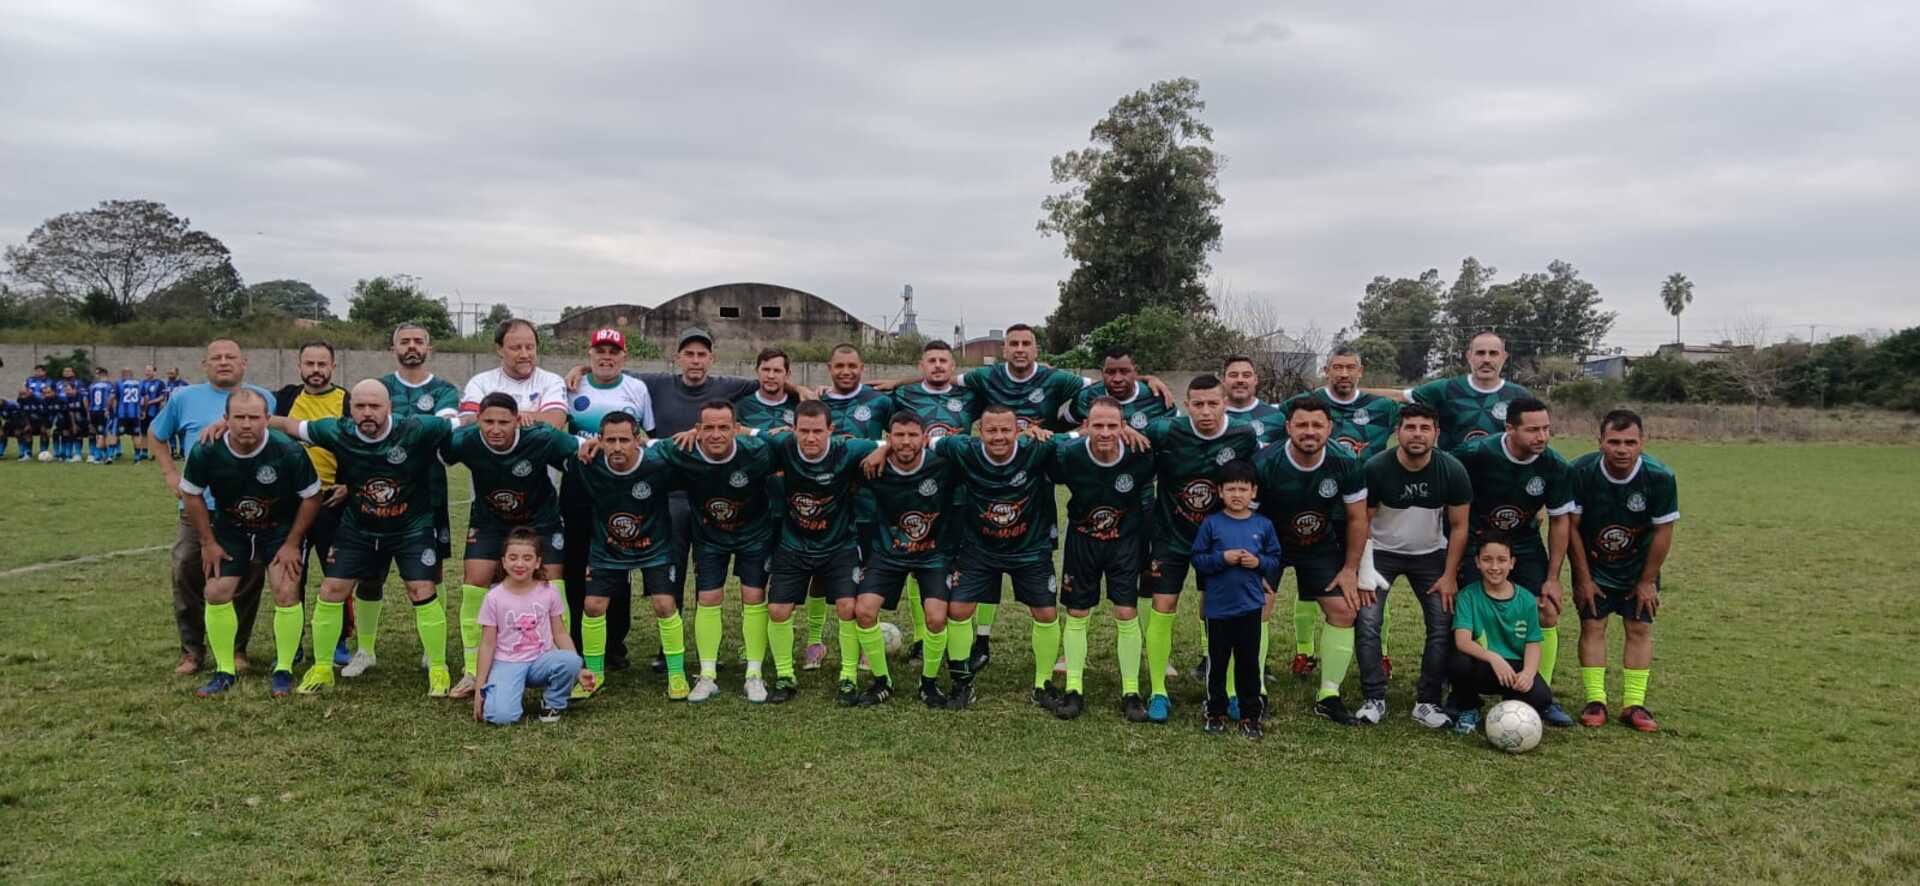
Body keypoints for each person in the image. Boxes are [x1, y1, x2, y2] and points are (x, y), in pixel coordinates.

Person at [563, 326, 810, 673]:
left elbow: (768, 379)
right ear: (677, 357)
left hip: (713, 490)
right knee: (674, 569)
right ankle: (669, 651)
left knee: (713, 575)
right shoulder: (656, 383)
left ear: (711, 358)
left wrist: (799, 389)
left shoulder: (728, 386)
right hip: (673, 493)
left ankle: (717, 651)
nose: (695, 360)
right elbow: (613, 368)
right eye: (689, 354)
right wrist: (581, 369)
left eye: (702, 354)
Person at [266, 379, 454, 696]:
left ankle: (438, 667)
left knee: (421, 588)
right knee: (331, 589)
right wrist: (240, 420)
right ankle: (322, 668)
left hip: (410, 526)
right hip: (359, 527)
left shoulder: (416, 428)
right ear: (350, 409)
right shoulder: (336, 430)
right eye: (360, 406)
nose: (367, 413)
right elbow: (290, 425)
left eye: (375, 406)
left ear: (389, 408)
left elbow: (461, 423)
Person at [441, 392, 589, 699]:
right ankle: (472, 669)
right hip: (489, 521)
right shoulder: (466, 440)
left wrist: (598, 445)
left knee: (553, 585)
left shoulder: (542, 437)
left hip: (540, 521)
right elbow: (438, 453)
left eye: (504, 422)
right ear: (478, 420)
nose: (495, 429)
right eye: (488, 422)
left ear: (517, 420)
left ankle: (560, 664)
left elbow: (582, 449)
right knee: (474, 583)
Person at [178, 389, 323, 698]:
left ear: (267, 419)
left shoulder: (288, 451)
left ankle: (283, 669)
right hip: (231, 529)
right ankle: (224, 670)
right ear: (225, 419)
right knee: (216, 591)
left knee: (286, 591)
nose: (247, 424)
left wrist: (292, 543)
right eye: (239, 417)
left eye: (254, 417)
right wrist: (208, 542)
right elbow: (191, 494)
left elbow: (312, 498)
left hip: (279, 529)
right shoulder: (207, 449)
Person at [1135, 374, 1262, 722]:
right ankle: (1158, 690)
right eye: (1198, 404)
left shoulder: (1243, 436)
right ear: (1187, 405)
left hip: (1220, 540)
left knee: (1221, 611)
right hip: (1171, 535)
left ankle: (1229, 690)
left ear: (1225, 404)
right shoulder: (1164, 431)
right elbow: (1125, 433)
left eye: (1213, 404)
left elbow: (1253, 482)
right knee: (1163, 606)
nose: (1206, 411)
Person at [150, 340, 279, 677]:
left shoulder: (264, 398)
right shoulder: (183, 398)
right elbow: (156, 435)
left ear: (244, 362)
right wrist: (170, 473)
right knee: (186, 571)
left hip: (248, 510)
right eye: (216, 358)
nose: (224, 362)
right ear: (204, 363)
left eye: (230, 357)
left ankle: (237, 648)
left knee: (249, 577)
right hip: (198, 507)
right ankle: (192, 651)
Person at [930, 404, 1069, 714]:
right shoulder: (963, 448)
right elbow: (919, 441)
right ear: (979, 432)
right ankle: (962, 682)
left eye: (1006, 430)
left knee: (1046, 614)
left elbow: (1082, 436)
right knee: (958, 610)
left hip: (1029, 548)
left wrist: (1123, 430)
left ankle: (1042, 684)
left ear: (1018, 430)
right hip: (979, 548)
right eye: (991, 430)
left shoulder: (1037, 447)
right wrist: (883, 450)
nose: (999, 436)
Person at [346, 323, 462, 677]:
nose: (412, 346)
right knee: (370, 574)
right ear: (393, 348)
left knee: (432, 570)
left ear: (429, 348)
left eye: (418, 341)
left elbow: (441, 429)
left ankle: (431, 649)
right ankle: (365, 650)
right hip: (378, 493)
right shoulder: (378, 388)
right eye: (404, 341)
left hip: (428, 492)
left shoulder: (444, 390)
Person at [1452, 395, 1576, 726]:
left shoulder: (1555, 466)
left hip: (1523, 543)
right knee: (1464, 613)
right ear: (1509, 429)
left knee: (1547, 610)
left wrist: (1553, 577)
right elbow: (1448, 496)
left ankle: (1539, 693)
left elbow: (1560, 521)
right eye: (1533, 430)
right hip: (1477, 544)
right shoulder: (1475, 454)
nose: (1542, 436)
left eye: (1546, 429)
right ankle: (1463, 694)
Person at [1253, 399, 1370, 724]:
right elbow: (1246, 518)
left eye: (1317, 425)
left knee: (1344, 610)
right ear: (1288, 427)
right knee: (1257, 605)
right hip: (1270, 545)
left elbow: (1357, 519)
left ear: (1329, 428)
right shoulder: (1265, 463)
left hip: (1319, 545)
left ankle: (1329, 695)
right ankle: (1255, 689)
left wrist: (1350, 569)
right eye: (1301, 425)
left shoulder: (1346, 462)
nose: (1309, 432)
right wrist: (1256, 565)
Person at [761, 401, 883, 705]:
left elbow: (898, 442)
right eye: (804, 431)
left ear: (831, 430)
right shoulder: (783, 444)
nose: (810, 438)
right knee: (777, 610)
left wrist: (885, 448)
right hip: (793, 544)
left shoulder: (847, 449)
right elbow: (744, 434)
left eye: (818, 431)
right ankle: (785, 675)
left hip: (839, 545)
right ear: (793, 430)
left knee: (847, 607)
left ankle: (848, 676)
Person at [1358, 403, 1471, 728]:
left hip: (1430, 555)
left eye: (1425, 428)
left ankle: (1427, 702)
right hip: (1381, 553)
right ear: (1398, 432)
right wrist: (1363, 568)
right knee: (1367, 621)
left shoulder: (1452, 469)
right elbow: (1362, 522)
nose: (1417, 434)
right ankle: (1374, 697)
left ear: (1436, 433)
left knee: (1442, 623)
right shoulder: (1376, 468)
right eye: (1410, 427)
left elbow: (1460, 526)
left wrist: (1449, 575)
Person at [659, 400, 779, 703]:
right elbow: (641, 448)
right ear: (697, 430)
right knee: (708, 598)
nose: (716, 434)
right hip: (709, 536)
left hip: (754, 534)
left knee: (753, 596)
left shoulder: (757, 451)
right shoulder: (682, 450)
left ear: (736, 429)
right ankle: (707, 675)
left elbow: (792, 442)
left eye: (723, 427)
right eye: (708, 428)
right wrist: (593, 443)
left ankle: (754, 674)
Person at [1568, 409, 1678, 732]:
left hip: (1638, 566)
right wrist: (1583, 578)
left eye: (1630, 442)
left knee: (1639, 627)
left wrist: (1647, 581)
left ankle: (1634, 704)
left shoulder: (1660, 477)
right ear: (1600, 442)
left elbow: (1664, 531)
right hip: (1594, 564)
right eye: (1614, 441)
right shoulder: (1581, 472)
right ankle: (1595, 700)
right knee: (1592, 625)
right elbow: (1571, 527)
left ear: (1643, 442)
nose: (1622, 449)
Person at [1050, 397, 1159, 721]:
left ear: (1124, 426)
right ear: (1086, 426)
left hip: (1125, 541)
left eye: (1113, 425)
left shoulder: (1141, 453)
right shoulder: (1069, 455)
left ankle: (1130, 692)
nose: (1106, 432)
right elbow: (1042, 449)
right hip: (1083, 539)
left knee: (1126, 611)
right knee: (1077, 611)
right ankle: (1074, 688)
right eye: (1098, 425)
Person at [877, 339, 983, 668]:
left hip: (960, 491)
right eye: (931, 360)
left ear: (953, 367)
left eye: (943, 361)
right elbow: (893, 433)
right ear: (921, 366)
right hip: (919, 493)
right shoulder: (902, 396)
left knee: (962, 567)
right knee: (918, 563)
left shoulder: (970, 395)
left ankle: (967, 639)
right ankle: (923, 638)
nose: (937, 365)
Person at [559, 328, 656, 678]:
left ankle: (614, 645)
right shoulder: (570, 386)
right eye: (600, 350)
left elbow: (646, 436)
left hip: (621, 489)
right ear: (589, 354)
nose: (606, 357)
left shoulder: (637, 388)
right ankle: (576, 642)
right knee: (576, 563)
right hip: (580, 483)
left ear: (624, 357)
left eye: (614, 351)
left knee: (618, 564)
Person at [858, 412, 966, 708]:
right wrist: (882, 450)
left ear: (924, 438)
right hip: (888, 552)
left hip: (933, 553)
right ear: (888, 438)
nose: (906, 442)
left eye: (912, 435)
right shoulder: (872, 466)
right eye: (899, 435)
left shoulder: (943, 464)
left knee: (936, 617)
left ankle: (928, 684)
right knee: (864, 611)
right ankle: (882, 681)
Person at [571, 412, 683, 698]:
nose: (617, 447)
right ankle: (594, 675)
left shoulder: (658, 462)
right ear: (600, 440)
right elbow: (556, 442)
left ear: (637, 440)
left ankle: (677, 675)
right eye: (610, 440)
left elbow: (687, 447)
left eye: (624, 440)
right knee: (593, 606)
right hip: (608, 548)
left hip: (654, 546)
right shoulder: (588, 461)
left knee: (664, 604)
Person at [271, 341, 354, 668]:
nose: (316, 370)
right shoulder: (284, 399)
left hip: (333, 500)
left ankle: (338, 641)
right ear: (299, 366)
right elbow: (254, 419)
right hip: (291, 503)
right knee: (291, 574)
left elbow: (361, 446)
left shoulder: (347, 400)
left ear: (333, 366)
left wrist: (350, 484)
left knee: (337, 573)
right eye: (310, 364)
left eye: (322, 364)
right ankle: (291, 644)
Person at [817, 343, 898, 676]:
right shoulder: (817, 402)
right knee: (825, 577)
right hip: (826, 505)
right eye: (839, 366)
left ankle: (866, 646)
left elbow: (904, 435)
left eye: (852, 365)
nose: (846, 371)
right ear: (829, 368)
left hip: (867, 503)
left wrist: (885, 448)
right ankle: (817, 641)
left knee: (866, 574)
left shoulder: (880, 402)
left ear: (862, 368)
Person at [1191, 460, 1280, 740]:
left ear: (1254, 492)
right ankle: (1214, 711)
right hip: (1218, 609)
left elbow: (1275, 559)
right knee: (1217, 664)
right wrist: (1222, 558)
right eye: (1231, 489)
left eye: (1243, 489)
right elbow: (1198, 559)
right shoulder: (1211, 524)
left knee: (1248, 665)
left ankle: (1250, 715)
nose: (1237, 495)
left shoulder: (1263, 525)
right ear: (1220, 492)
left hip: (1250, 607)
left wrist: (1258, 562)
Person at [472, 528, 590, 725]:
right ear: (503, 562)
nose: (519, 564)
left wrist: (579, 669)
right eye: (513, 558)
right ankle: (502, 691)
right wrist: (479, 687)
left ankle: (552, 702)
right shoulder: (493, 597)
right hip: (507, 662)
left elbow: (560, 633)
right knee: (501, 717)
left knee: (571, 660)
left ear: (537, 562)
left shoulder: (549, 591)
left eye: (527, 558)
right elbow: (487, 644)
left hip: (541, 661)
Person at [1446, 537, 1552, 734]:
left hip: (1513, 668)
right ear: (1477, 562)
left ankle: (1509, 709)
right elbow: (1462, 641)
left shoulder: (1527, 599)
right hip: (1483, 664)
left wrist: (1528, 673)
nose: (1495, 567)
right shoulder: (1468, 596)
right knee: (1458, 663)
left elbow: (1533, 643)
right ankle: (1469, 706)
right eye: (1487, 560)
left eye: (1502, 560)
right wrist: (1493, 658)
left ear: (1512, 563)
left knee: (1542, 697)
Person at [1365, 331, 1535, 452]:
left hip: (1500, 480)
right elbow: (1399, 396)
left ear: (1504, 357)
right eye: (1480, 353)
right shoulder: (1445, 389)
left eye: (1493, 353)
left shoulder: (1520, 396)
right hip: (1453, 478)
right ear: (1469, 356)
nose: (1486, 359)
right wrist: (1354, 394)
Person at [1066, 346, 1176, 429]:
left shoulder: (1157, 396)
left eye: (1124, 371)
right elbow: (1062, 429)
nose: (1117, 379)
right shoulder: (1086, 397)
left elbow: (1177, 434)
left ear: (1135, 371)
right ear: (1102, 372)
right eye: (1110, 372)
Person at [138, 366, 168, 462]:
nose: (146, 372)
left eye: (149, 371)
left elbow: (162, 397)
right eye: (146, 370)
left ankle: (154, 453)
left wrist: (150, 402)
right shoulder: (141, 383)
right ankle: (144, 452)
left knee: (154, 433)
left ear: (154, 372)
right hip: (142, 411)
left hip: (154, 412)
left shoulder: (160, 383)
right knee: (143, 432)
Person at [86, 367, 115, 463]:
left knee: (97, 434)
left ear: (102, 374)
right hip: (104, 411)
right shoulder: (110, 385)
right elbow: (112, 398)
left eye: (97, 373)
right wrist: (108, 408)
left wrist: (88, 411)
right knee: (104, 434)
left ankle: (100, 455)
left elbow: (86, 400)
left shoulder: (92, 385)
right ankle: (101, 457)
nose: (96, 375)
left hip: (93, 411)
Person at [115, 368, 144, 462]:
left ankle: (113, 453)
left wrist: (112, 410)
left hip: (122, 414)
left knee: (115, 433)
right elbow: (145, 398)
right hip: (135, 414)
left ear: (123, 374)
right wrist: (143, 410)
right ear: (131, 374)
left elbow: (114, 398)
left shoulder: (119, 383)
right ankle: (137, 457)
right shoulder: (139, 383)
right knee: (136, 435)